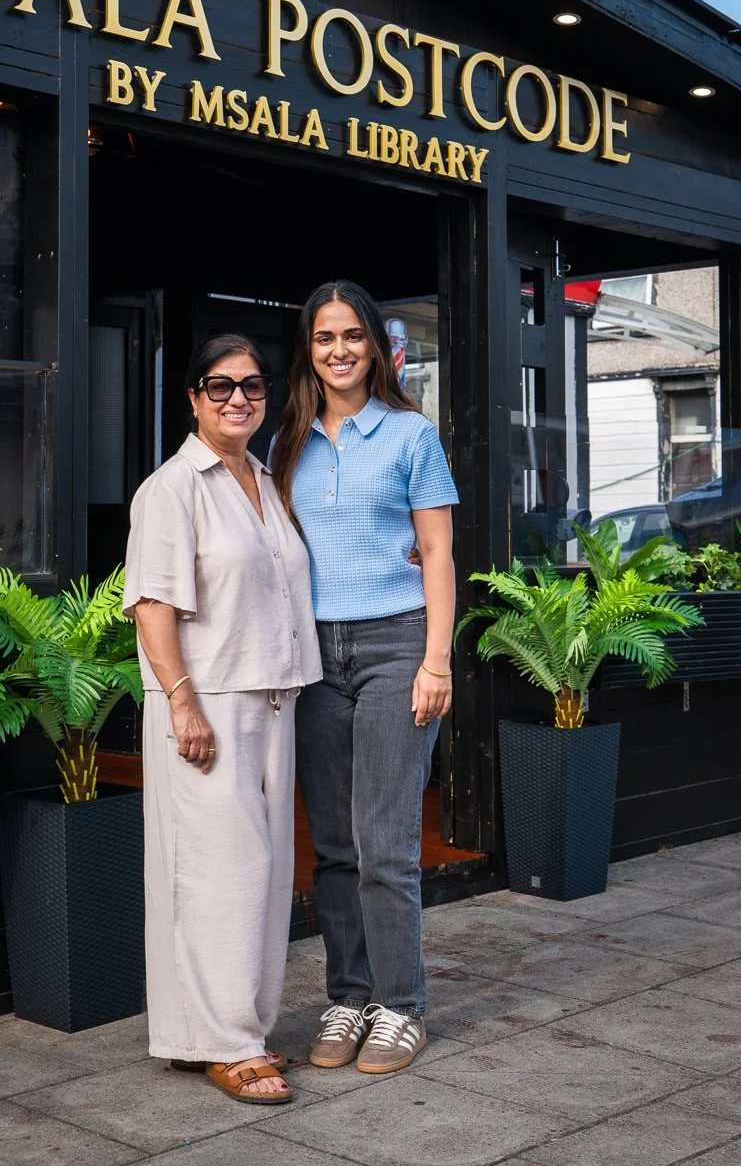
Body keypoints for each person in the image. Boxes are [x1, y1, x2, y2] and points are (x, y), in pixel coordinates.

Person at [123, 334, 321, 1105]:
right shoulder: (171, 489)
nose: (238, 398)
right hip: (208, 703)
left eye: (252, 385)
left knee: (263, 874)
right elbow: (152, 605)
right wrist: (182, 702)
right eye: (220, 385)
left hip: (274, 695)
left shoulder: (264, 480)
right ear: (193, 397)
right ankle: (226, 1042)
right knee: (217, 876)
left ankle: (235, 1030)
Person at [270, 280, 458, 1075]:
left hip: (395, 646)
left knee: (385, 845)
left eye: (352, 336)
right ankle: (349, 997)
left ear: (376, 347)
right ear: (309, 350)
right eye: (325, 338)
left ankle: (402, 1007)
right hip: (314, 657)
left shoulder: (411, 435)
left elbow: (438, 553)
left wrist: (437, 660)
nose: (339, 350)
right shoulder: (288, 442)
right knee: (335, 847)